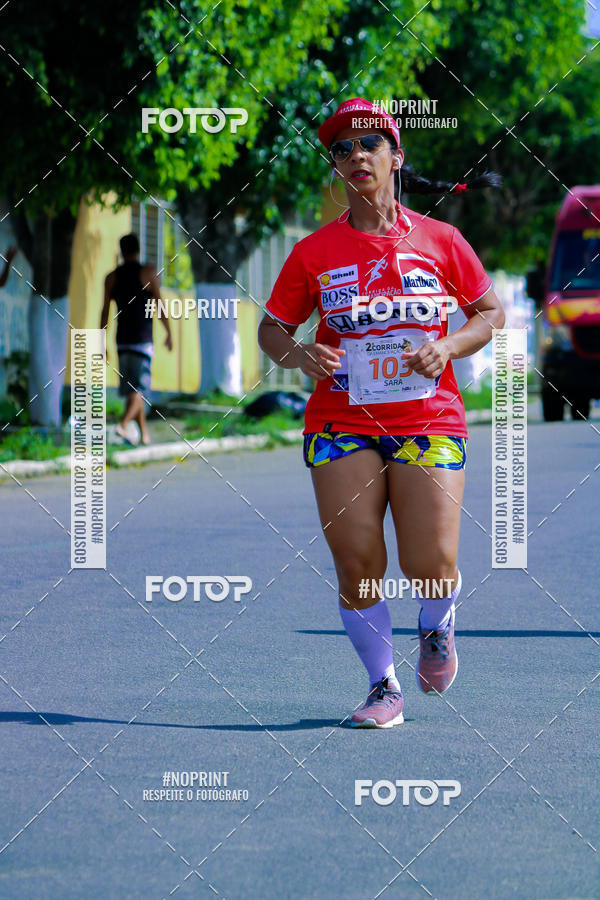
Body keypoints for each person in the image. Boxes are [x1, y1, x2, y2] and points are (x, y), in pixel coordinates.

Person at [258, 98, 505, 728]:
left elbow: (489, 313)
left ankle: (437, 624)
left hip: (429, 418)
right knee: (358, 560)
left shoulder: (442, 240)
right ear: (336, 168)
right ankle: (382, 686)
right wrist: (297, 353)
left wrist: (447, 345)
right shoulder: (315, 251)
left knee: (430, 562)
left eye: (369, 143)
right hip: (341, 420)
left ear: (397, 156)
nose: (355, 155)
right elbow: (272, 330)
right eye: (341, 148)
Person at [101, 233, 172, 445]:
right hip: (142, 340)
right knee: (139, 389)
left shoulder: (112, 277)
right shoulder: (148, 272)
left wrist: (101, 342)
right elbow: (159, 305)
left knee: (133, 388)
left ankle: (144, 435)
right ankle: (123, 424)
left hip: (121, 340)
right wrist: (169, 332)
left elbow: (104, 311)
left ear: (121, 252)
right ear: (138, 249)